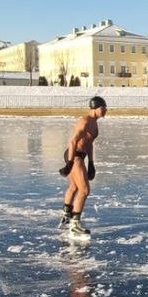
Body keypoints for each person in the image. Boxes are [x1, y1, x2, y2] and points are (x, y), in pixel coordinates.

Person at [58, 96, 108, 234]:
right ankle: (75, 224)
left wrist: (91, 163)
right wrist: (70, 163)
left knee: (74, 187)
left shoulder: (94, 123)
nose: (105, 111)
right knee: (84, 190)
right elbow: (73, 141)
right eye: (103, 108)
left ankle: (66, 214)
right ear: (95, 108)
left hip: (81, 155)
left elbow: (89, 143)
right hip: (74, 155)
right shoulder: (85, 122)